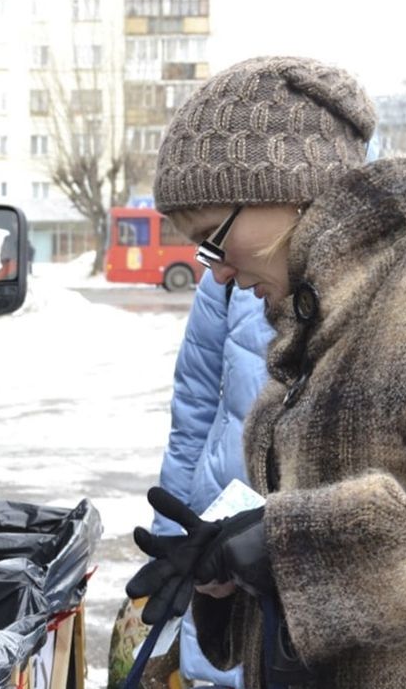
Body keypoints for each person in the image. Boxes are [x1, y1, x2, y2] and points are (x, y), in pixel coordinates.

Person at [127, 55, 406, 688]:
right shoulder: (314, 319)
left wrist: (287, 546)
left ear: (285, 192)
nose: (213, 269)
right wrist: (234, 576)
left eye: (214, 235)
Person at [151, 275, 272, 688]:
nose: (216, 260)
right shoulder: (223, 281)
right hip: (217, 537)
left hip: (309, 552)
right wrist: (172, 543)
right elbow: (193, 409)